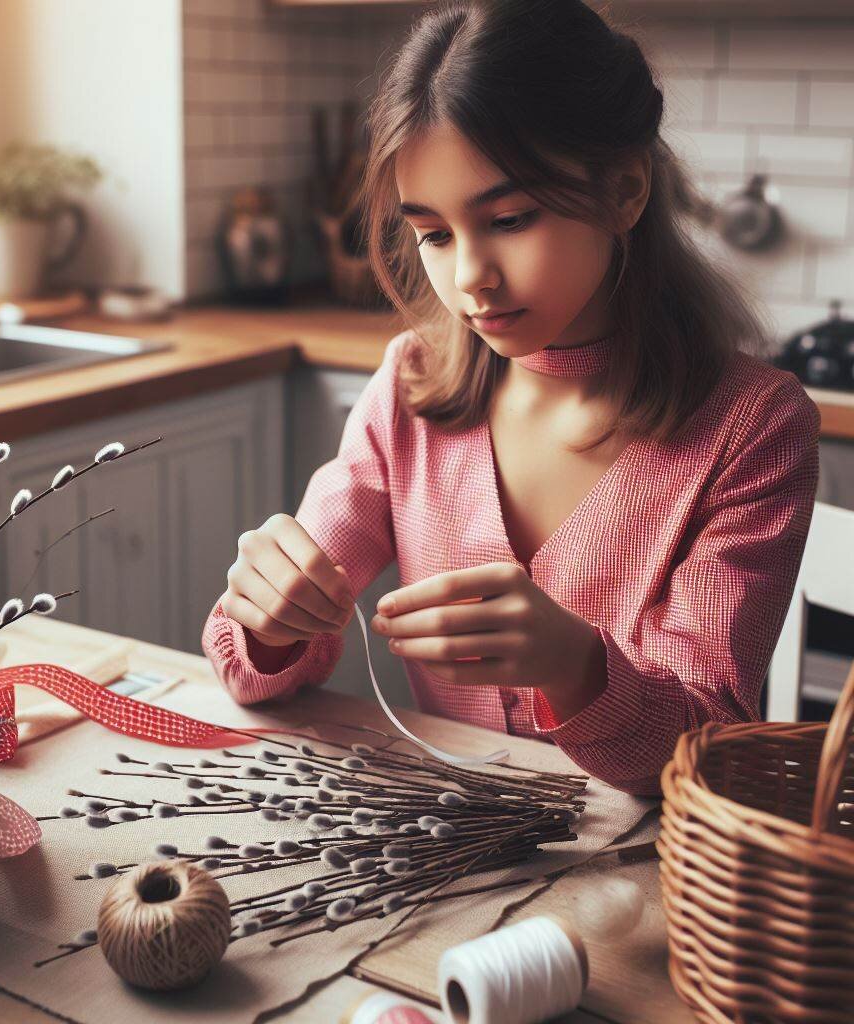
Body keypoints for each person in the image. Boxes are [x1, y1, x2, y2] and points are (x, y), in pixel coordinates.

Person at [200, 0, 820, 796]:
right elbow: (255, 674)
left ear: (626, 190)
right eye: (434, 233)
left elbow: (700, 752)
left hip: (656, 889)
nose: (470, 279)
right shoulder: (410, 388)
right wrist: (269, 621)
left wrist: (576, 665)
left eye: (510, 219)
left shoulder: (752, 429)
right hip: (447, 853)